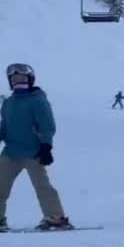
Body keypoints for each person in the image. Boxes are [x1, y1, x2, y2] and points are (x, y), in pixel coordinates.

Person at [0, 63, 72, 231]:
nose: (18, 81)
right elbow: (5, 126)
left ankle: (55, 217)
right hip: (11, 152)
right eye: (14, 78)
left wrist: (46, 146)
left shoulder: (38, 100)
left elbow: (47, 125)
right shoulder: (9, 103)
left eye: (22, 78)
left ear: (30, 80)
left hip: (34, 152)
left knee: (42, 186)